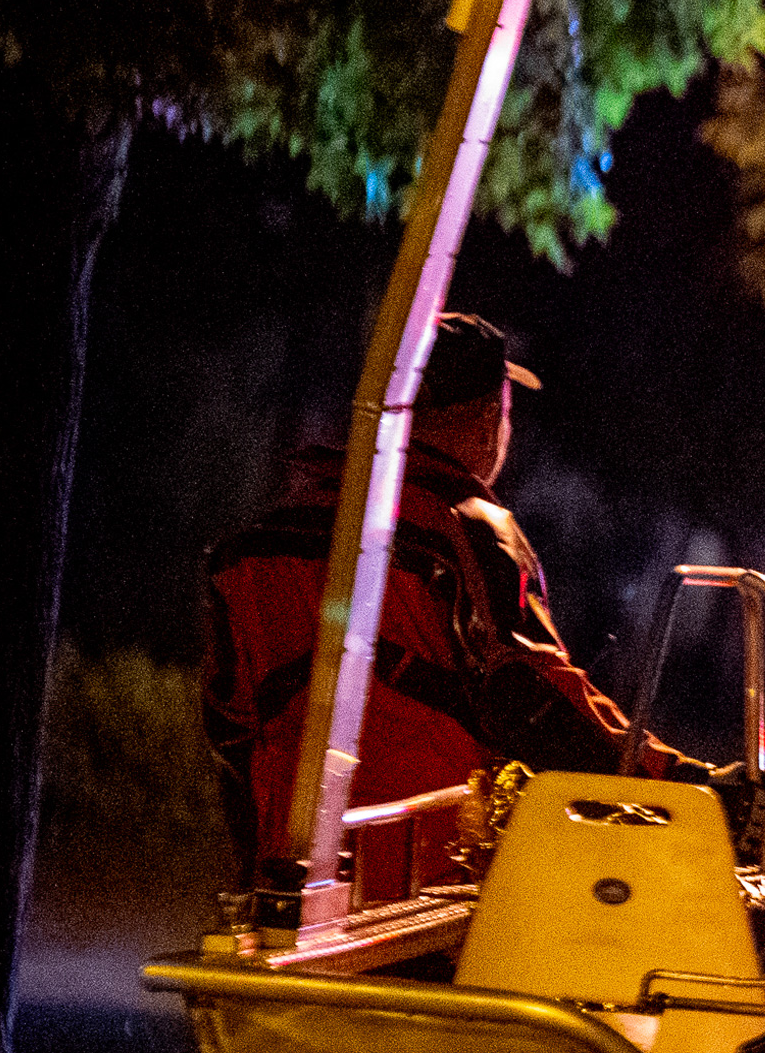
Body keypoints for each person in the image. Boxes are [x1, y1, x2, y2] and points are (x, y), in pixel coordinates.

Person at [203, 313, 705, 904]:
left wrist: (258, 876)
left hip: (294, 891)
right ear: (493, 418)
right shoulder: (468, 528)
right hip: (433, 890)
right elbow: (533, 699)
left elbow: (229, 730)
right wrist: (677, 781)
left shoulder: (254, 547)